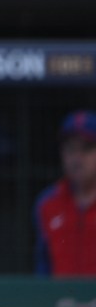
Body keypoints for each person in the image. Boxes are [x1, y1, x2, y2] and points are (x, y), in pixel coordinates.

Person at [35, 111, 96, 277]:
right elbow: (43, 266)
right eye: (70, 149)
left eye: (87, 148)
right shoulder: (47, 202)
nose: (77, 158)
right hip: (61, 301)